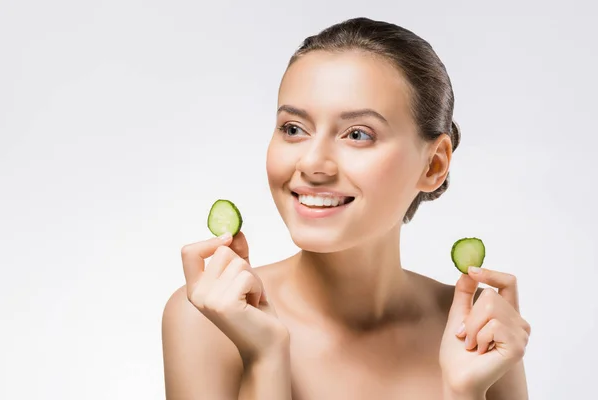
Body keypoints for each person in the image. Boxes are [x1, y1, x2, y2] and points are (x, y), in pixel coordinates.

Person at [161, 17, 531, 400]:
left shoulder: (478, 330)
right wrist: (265, 356)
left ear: (434, 164)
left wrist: (462, 392)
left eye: (357, 134)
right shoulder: (208, 318)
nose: (312, 163)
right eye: (293, 129)